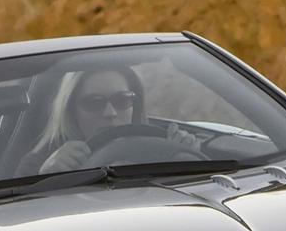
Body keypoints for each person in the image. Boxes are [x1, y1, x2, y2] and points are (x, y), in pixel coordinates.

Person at [20, 65, 200, 174]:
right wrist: (46, 176)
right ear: (71, 110)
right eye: (94, 102)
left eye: (122, 100)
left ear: (134, 105)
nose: (110, 112)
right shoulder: (42, 161)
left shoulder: (163, 146)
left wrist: (187, 156)